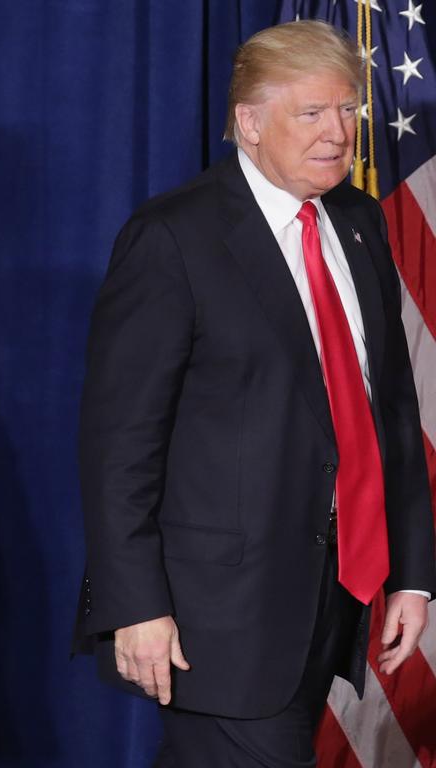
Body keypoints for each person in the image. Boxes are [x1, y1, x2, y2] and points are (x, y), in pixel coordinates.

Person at [73, 20, 436, 767]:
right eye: (312, 113)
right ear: (248, 121)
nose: (339, 134)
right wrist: (135, 604)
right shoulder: (174, 237)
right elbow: (120, 446)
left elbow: (391, 411)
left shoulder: (360, 222)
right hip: (213, 616)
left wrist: (414, 577)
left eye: (348, 111)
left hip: (331, 602)